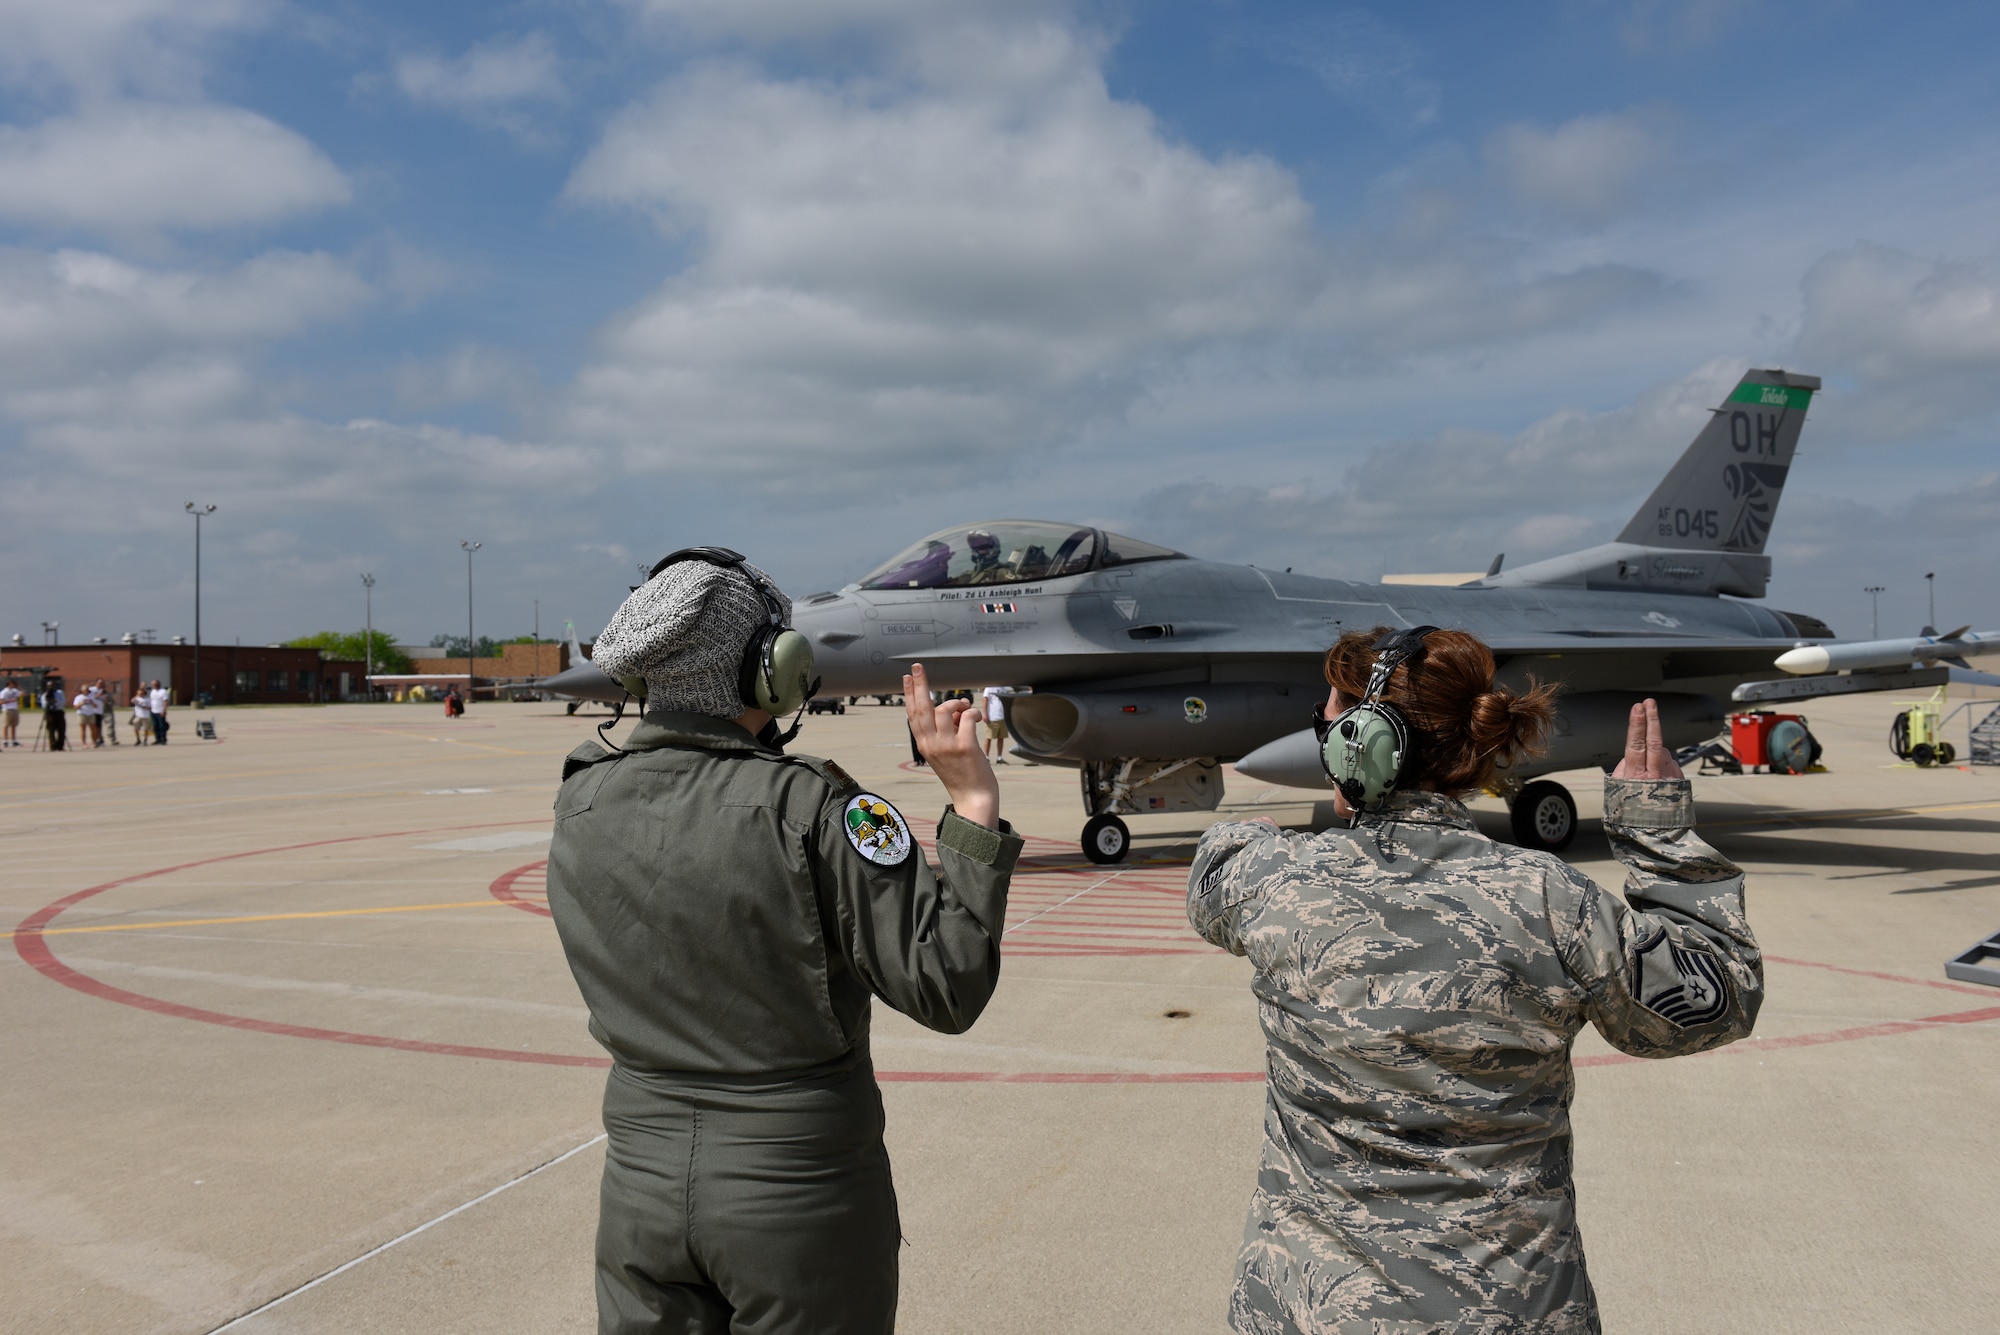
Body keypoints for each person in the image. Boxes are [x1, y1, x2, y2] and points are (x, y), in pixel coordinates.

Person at [1188, 627, 1762, 1334]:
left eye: (1329, 722)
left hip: (1308, 1312)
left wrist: (1271, 836)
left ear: (1360, 746)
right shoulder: (1551, 902)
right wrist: (1659, 834)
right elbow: (1715, 1000)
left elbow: (1212, 872)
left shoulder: (1276, 880)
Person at [547, 551, 1020, 1335]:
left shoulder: (580, 797)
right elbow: (949, 983)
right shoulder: (817, 810)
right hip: (798, 1200)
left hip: (638, 1193)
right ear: (771, 670)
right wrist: (971, 801)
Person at [981, 684, 1010, 763]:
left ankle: (999, 757)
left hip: (1002, 716)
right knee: (989, 737)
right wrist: (985, 714)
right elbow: (985, 701)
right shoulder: (989, 688)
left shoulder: (1003, 688)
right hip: (992, 717)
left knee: (1001, 738)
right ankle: (986, 756)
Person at [40, 677, 67, 752]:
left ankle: (60, 746)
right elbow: (43, 705)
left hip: (59, 712)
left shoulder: (59, 693)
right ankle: (53, 746)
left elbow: (63, 702)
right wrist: (49, 701)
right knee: (51, 730)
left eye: (52, 685)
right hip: (50, 713)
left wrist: (56, 701)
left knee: (61, 729)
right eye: (49, 686)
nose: (51, 687)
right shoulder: (44, 695)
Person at [148, 680, 170, 744]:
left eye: (153, 684)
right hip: (153, 711)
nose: (152, 686)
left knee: (161, 726)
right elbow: (151, 700)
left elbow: (166, 702)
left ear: (157, 684)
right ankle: (157, 739)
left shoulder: (163, 691)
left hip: (160, 711)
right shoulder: (153, 691)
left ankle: (163, 739)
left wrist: (164, 710)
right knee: (155, 726)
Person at [1, 677, 19, 747]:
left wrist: (19, 686)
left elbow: (23, 693)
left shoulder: (15, 691)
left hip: (14, 709)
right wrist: (10, 701)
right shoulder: (4, 692)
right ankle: (5, 740)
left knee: (14, 725)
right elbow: (1, 701)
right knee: (6, 725)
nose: (14, 685)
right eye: (13, 683)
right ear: (9, 684)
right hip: (7, 710)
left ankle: (13, 740)